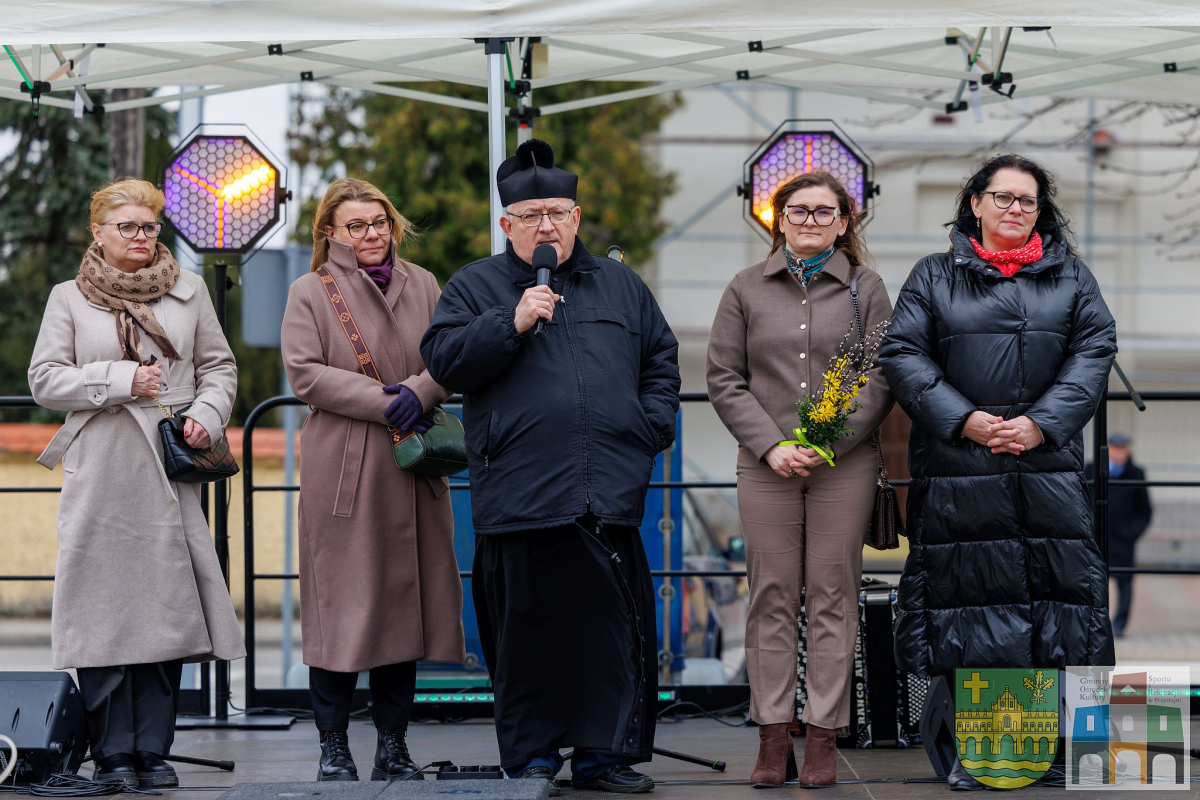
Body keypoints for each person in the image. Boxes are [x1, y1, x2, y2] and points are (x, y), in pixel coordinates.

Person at [420, 139, 680, 796]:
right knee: (527, 639)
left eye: (557, 213)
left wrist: (647, 429)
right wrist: (509, 322)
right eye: (531, 215)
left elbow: (660, 361)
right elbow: (444, 361)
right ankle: (532, 755)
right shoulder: (475, 285)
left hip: (606, 491)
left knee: (607, 637)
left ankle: (602, 756)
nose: (546, 226)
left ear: (577, 217)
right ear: (506, 224)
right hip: (520, 492)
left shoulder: (621, 285)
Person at [880, 154, 1117, 790]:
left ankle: (1072, 754)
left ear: (1041, 212)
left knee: (1065, 601)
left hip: (1047, 467)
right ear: (976, 204)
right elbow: (902, 352)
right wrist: (966, 421)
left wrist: (1041, 423)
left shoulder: (1072, 276)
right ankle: (987, 756)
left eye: (1028, 200)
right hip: (961, 469)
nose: (1016, 209)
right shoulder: (934, 274)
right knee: (970, 604)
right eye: (1003, 197)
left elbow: (1095, 349)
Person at [28, 178, 244, 789]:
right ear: (97, 233)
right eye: (128, 226)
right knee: (100, 612)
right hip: (100, 468)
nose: (142, 235)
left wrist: (207, 415)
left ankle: (152, 751)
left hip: (169, 468)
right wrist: (120, 379)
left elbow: (219, 367)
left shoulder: (189, 291)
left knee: (165, 608)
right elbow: (44, 380)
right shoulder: (68, 297)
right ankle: (111, 754)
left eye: (149, 225)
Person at [706, 171, 893, 788]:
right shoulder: (745, 288)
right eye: (798, 210)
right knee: (772, 596)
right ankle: (771, 735)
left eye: (823, 211)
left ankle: (822, 737)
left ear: (844, 221)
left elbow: (881, 375)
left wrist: (826, 443)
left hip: (845, 464)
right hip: (767, 465)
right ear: (778, 217)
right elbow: (724, 377)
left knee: (834, 595)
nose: (810, 220)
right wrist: (771, 444)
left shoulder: (867, 287)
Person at [281, 178, 465, 782]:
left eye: (379, 222)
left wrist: (422, 391)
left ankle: (393, 745)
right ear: (330, 233)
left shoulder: (424, 282)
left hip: (412, 466)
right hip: (346, 465)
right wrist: (392, 401)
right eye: (355, 225)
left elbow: (448, 355)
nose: (370, 234)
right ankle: (333, 746)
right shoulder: (310, 290)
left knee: (403, 607)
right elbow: (305, 374)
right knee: (338, 608)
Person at [1085, 432, 1152, 638]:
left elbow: (1145, 510)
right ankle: (1094, 623)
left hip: (1122, 540)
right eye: (1116, 447)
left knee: (1124, 582)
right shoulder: (1092, 469)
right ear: (1108, 448)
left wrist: (1131, 533)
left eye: (1123, 448)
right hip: (1095, 538)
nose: (1120, 452)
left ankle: (1120, 625)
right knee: (1093, 581)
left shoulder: (1136, 473)